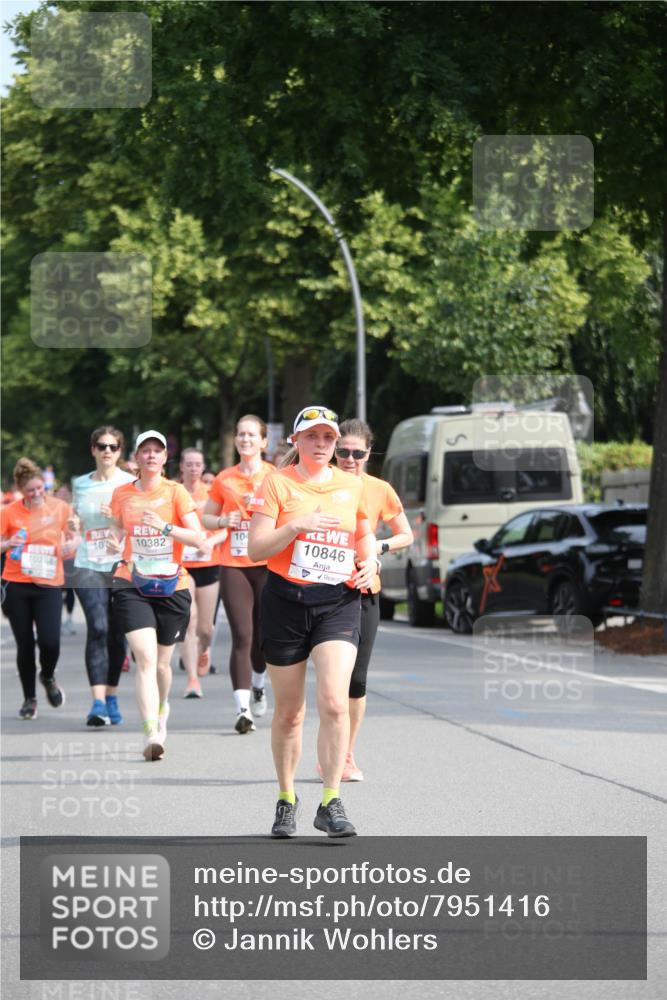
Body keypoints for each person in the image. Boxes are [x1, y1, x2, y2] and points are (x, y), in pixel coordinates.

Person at [248, 405, 378, 839]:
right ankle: (286, 799)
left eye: (328, 438)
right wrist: (297, 525)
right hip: (285, 602)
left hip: (338, 602)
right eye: (313, 437)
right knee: (289, 713)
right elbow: (255, 550)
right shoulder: (277, 484)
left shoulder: (350, 484)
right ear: (296, 441)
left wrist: (370, 558)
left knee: (335, 702)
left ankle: (330, 800)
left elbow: (362, 533)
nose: (322, 445)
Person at [107, 430, 204, 761]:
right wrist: (112, 541)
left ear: (165, 459)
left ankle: (162, 708)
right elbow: (118, 529)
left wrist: (164, 528)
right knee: (145, 658)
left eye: (156, 451)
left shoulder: (175, 493)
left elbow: (198, 538)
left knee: (163, 664)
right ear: (136, 458)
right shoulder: (121, 494)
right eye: (144, 451)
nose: (150, 456)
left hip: (171, 586)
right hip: (131, 582)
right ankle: (150, 731)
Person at [330, 418, 413, 780]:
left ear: (368, 453)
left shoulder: (379, 489)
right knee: (333, 682)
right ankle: (330, 751)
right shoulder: (320, 485)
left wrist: (377, 549)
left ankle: (346, 754)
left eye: (357, 453)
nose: (349, 458)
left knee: (356, 680)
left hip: (364, 589)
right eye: (343, 452)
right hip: (324, 590)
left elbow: (406, 535)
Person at [203, 415, 275, 733]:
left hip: (269, 564)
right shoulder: (224, 479)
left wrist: (260, 507)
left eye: (251, 435)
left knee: (263, 637)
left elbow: (290, 515)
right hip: (233, 563)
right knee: (242, 635)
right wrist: (223, 521)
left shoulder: (275, 477)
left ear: (263, 442)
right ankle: (242, 710)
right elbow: (206, 517)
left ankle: (259, 684)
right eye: (240, 434)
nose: (245, 439)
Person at [1, 458, 78, 719]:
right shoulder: (9, 512)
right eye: (30, 490)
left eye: (39, 489)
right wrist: (8, 543)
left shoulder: (60, 508)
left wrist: (71, 544)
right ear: (20, 489)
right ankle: (29, 699)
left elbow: (74, 534)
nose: (36, 494)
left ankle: (47, 675)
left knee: (50, 642)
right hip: (17, 583)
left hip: (49, 584)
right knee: (25, 644)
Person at [71, 426, 135, 727]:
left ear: (120, 452)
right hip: (87, 563)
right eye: (101, 445)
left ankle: (111, 695)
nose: (107, 451)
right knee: (97, 626)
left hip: (119, 564)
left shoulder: (129, 483)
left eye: (113, 446)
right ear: (93, 450)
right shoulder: (79, 485)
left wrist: (112, 517)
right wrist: (72, 523)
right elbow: (74, 520)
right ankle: (96, 702)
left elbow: (135, 524)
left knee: (115, 632)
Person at [178, 447, 227, 698]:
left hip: (209, 563)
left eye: (198, 464)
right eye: (189, 464)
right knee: (190, 621)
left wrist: (212, 541)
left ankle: (204, 649)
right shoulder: (174, 492)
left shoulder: (211, 493)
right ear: (181, 467)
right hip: (182, 566)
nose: (194, 468)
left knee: (205, 628)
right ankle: (192, 680)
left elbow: (226, 528)